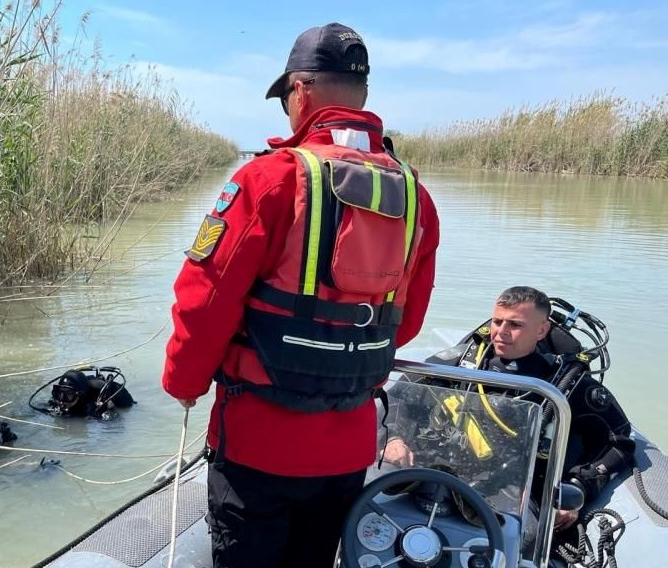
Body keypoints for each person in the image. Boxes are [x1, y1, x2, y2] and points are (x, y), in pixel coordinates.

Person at [161, 22, 440, 568]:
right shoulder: (417, 198)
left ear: (301, 91)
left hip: (257, 443)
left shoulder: (269, 180)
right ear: (363, 96)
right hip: (349, 443)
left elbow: (204, 302)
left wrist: (183, 383)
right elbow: (403, 324)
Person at [384, 287, 634, 539]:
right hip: (438, 473)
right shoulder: (462, 364)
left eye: (515, 324)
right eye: (497, 321)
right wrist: (394, 438)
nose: (501, 332)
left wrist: (577, 486)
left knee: (522, 541)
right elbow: (399, 396)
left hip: (513, 492)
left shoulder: (565, 384)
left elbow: (617, 441)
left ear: (541, 330)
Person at [31, 366, 136, 420]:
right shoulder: (60, 400)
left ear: (79, 395)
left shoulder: (97, 398)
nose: (62, 400)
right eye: (59, 393)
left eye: (68, 394)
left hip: (112, 395)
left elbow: (116, 426)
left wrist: (102, 413)